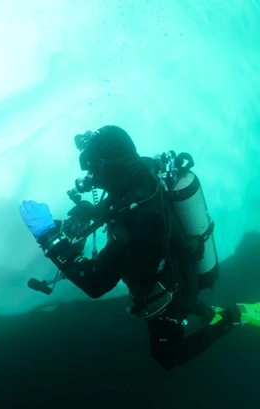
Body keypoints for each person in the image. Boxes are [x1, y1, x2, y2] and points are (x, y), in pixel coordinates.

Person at [19, 125, 260, 370]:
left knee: (167, 357)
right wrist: (92, 211)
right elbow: (121, 203)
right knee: (184, 295)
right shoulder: (140, 171)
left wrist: (48, 236)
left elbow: (95, 284)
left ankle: (233, 317)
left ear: (108, 168)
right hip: (178, 263)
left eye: (92, 169)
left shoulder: (137, 227)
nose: (88, 177)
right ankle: (206, 311)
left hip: (164, 295)